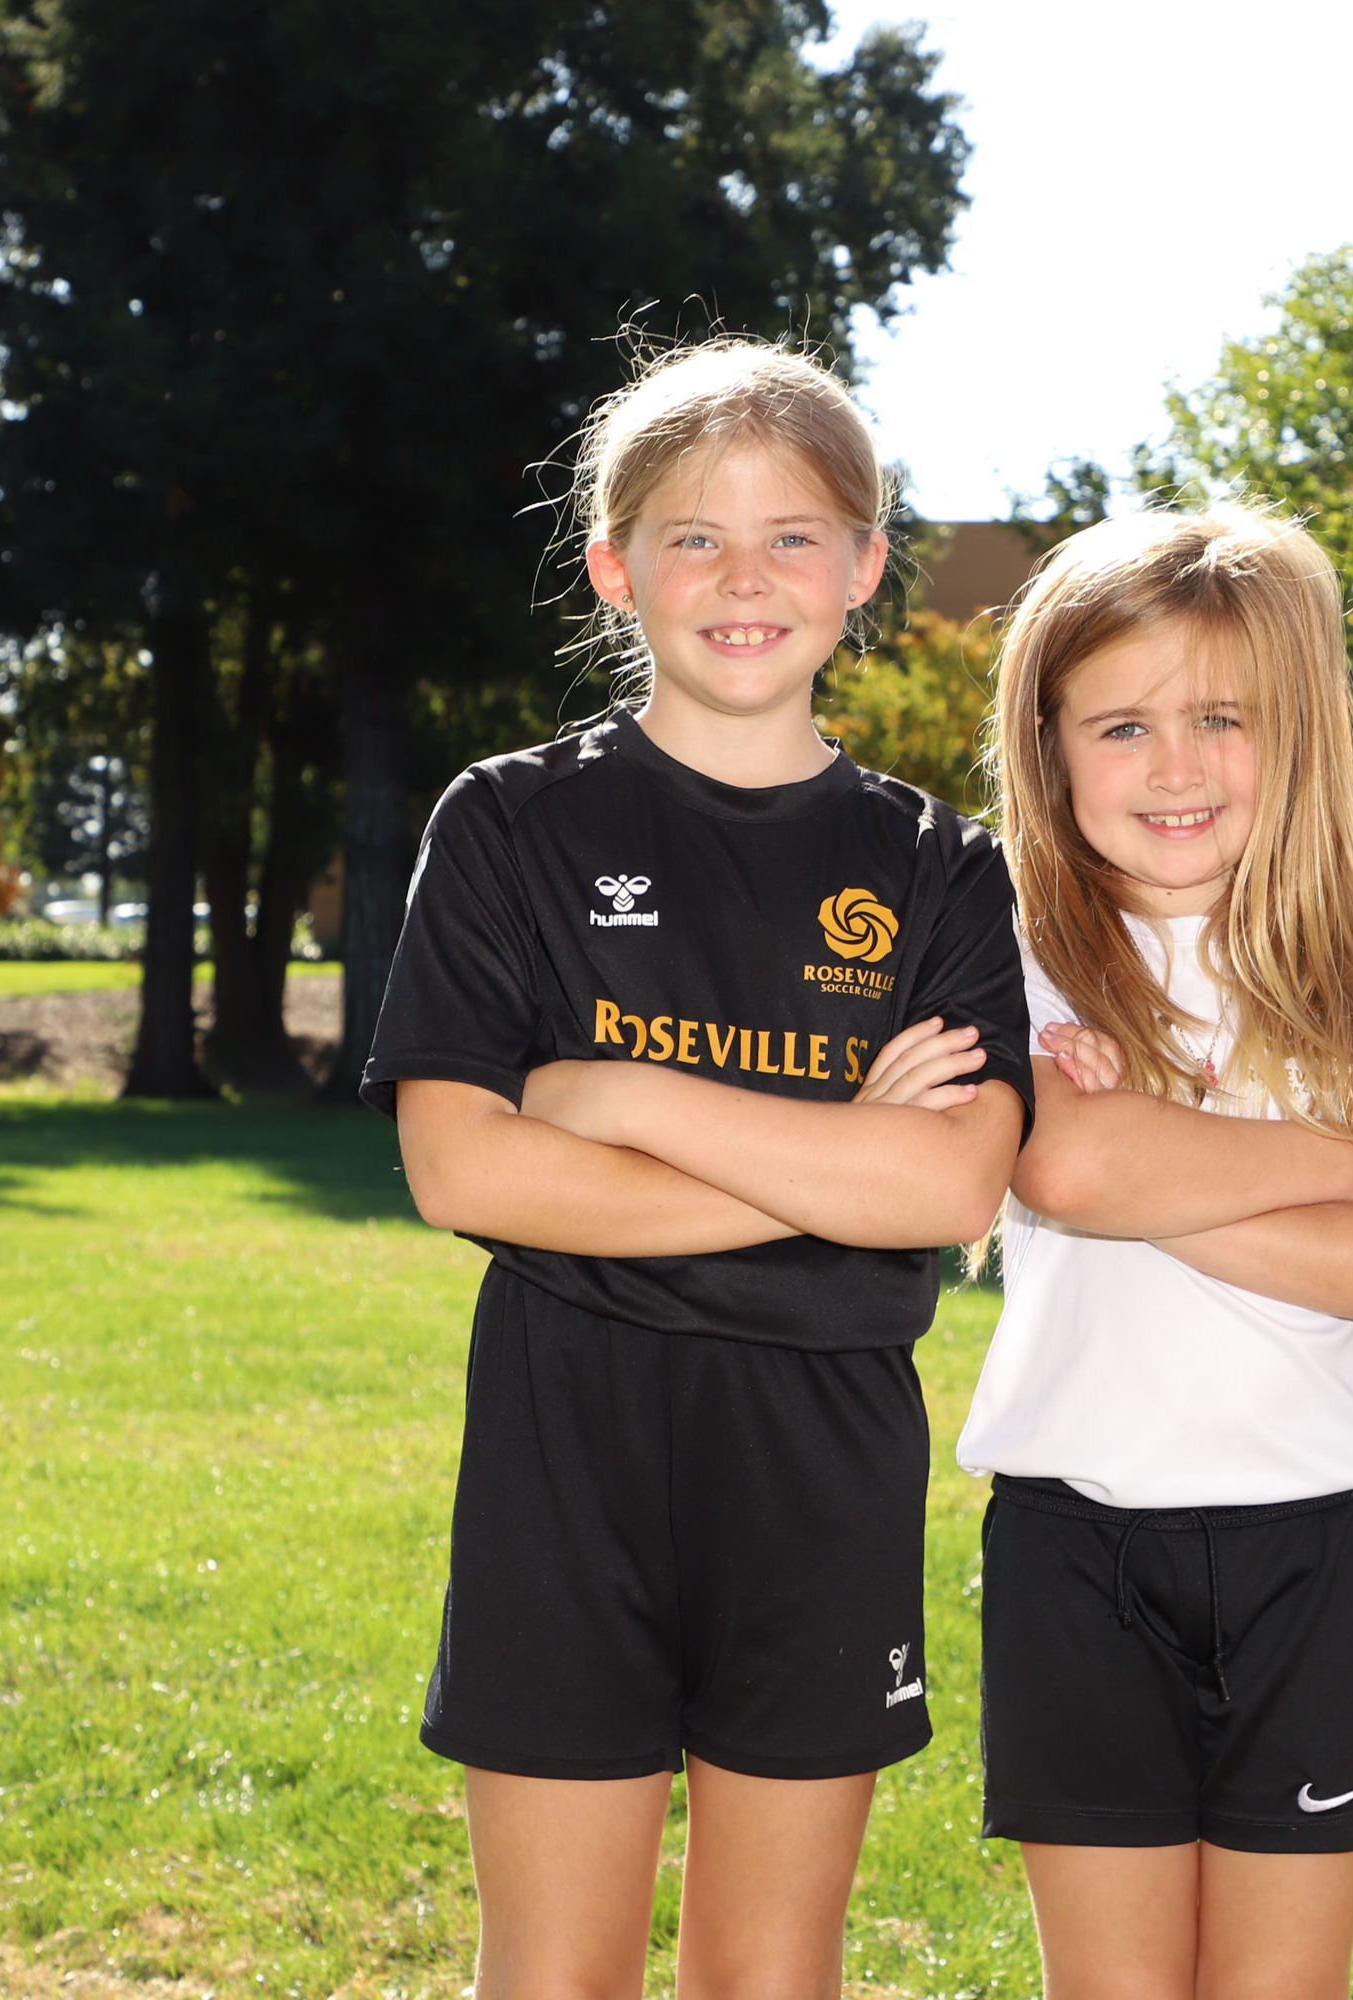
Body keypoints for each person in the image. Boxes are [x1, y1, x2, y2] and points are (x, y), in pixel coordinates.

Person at [361, 337, 1031, 2000]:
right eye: (695, 538)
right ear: (615, 567)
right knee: (553, 1972)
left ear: (865, 566)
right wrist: (838, 1160)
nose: (746, 579)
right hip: (564, 1453)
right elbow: (465, 1170)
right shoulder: (509, 824)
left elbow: (950, 1195)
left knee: (771, 1973)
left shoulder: (941, 870)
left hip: (823, 1470)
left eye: (794, 536)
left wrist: (617, 1094)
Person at [956, 506, 1353, 2000]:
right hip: (1075, 1540)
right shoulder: (1009, 952)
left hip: (1315, 1547)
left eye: (1221, 719)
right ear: (1050, 747)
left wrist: (1161, 1168)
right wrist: (1340, 1166)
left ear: (1298, 731)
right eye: (1122, 726)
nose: (1176, 769)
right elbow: (1069, 1166)